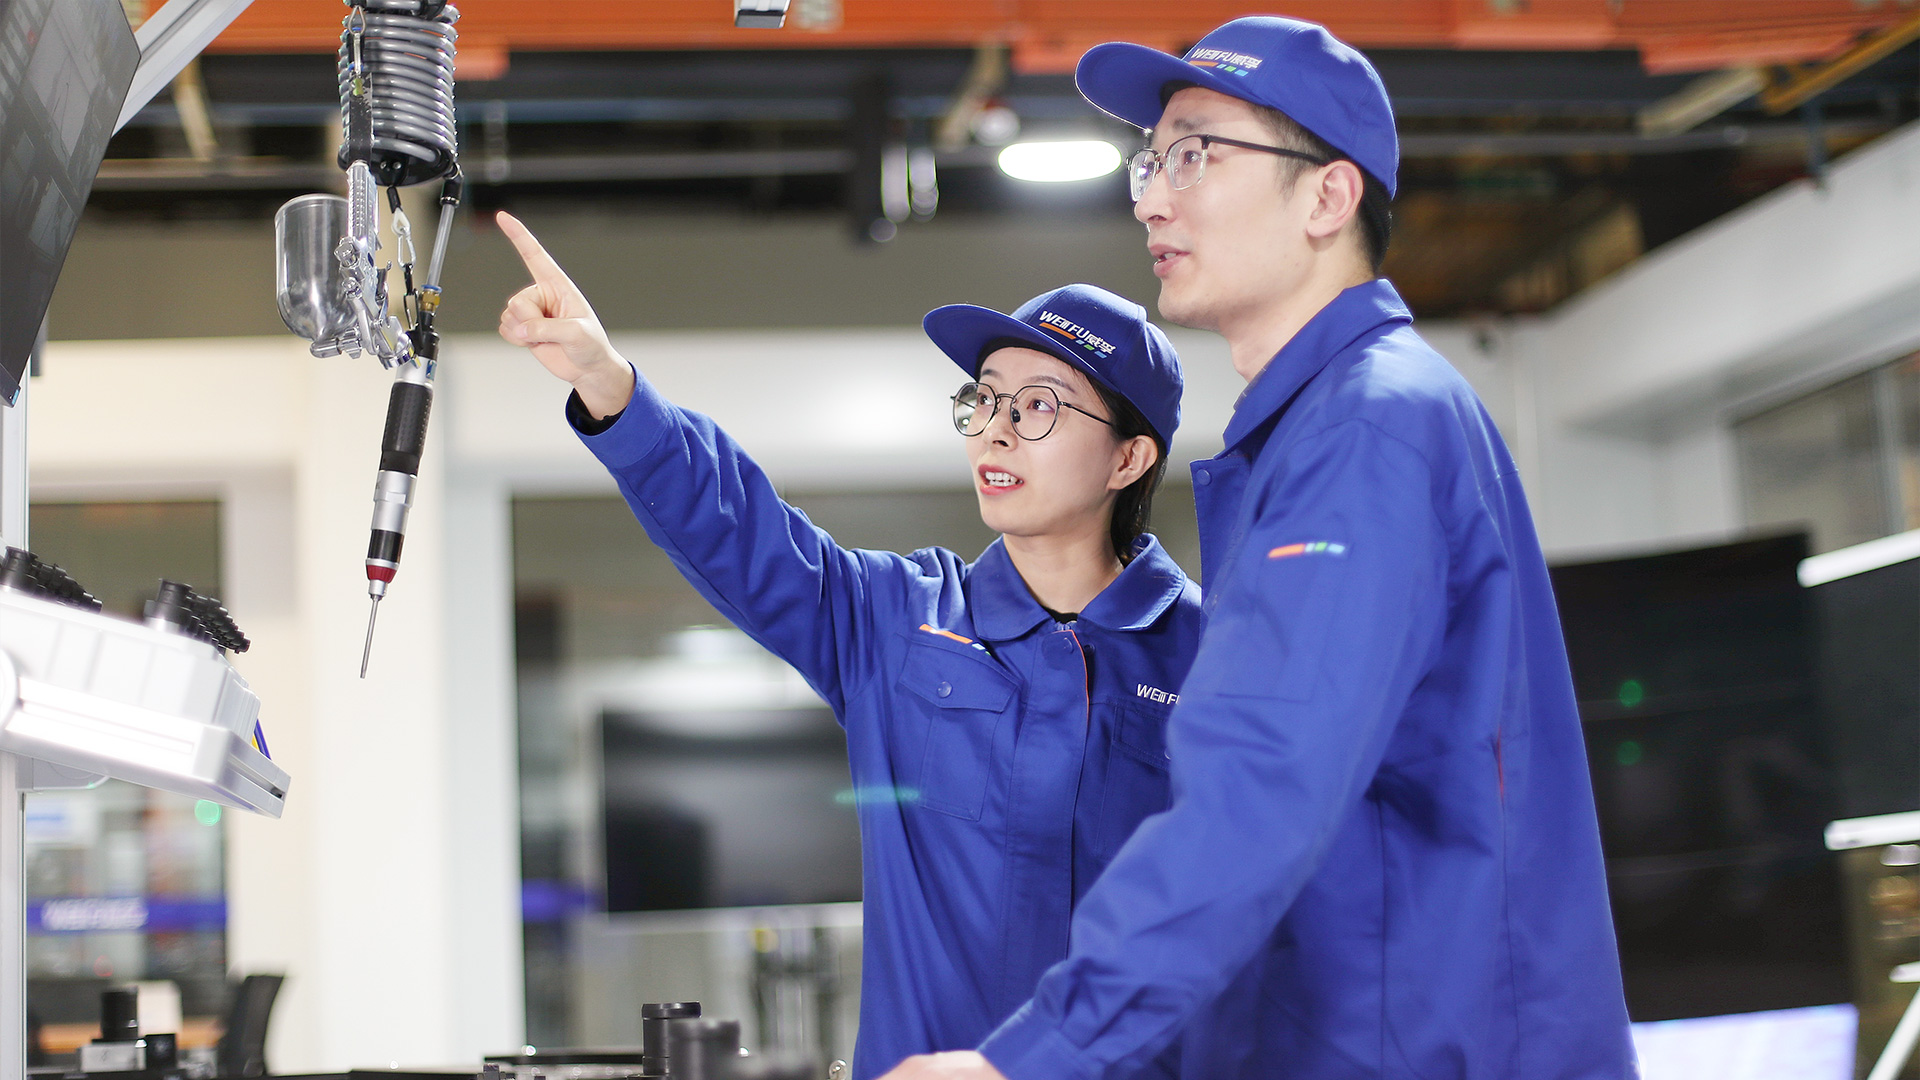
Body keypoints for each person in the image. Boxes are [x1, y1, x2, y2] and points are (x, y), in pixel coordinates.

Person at [879, 16, 1634, 1080]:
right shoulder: (1325, 429)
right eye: (1150, 162)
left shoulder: (1366, 429)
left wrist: (1036, 1056)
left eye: (1196, 155)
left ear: (1327, 198)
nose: (1151, 198)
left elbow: (1261, 782)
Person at [493, 211, 1205, 1079]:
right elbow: (742, 531)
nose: (995, 429)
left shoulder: (1212, 656)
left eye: (1039, 407)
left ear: (1129, 460)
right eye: (984, 398)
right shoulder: (898, 620)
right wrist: (610, 385)